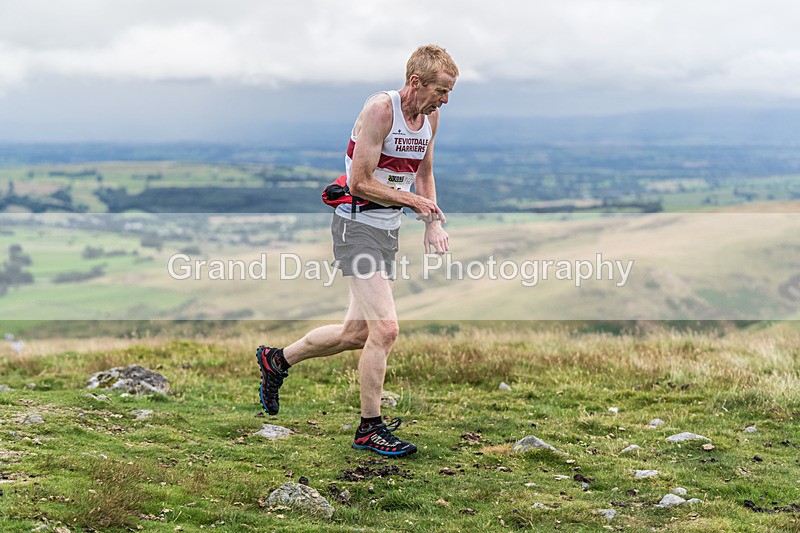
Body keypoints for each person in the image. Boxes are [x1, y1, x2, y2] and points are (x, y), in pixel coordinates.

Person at [257, 44, 458, 457]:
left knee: (356, 334)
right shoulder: (381, 111)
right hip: (356, 226)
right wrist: (415, 205)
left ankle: (277, 361)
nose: (446, 99)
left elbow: (424, 172)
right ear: (415, 82)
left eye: (450, 91)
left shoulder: (430, 118)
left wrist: (432, 221)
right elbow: (358, 183)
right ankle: (369, 428)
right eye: (441, 89)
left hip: (385, 230)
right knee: (385, 330)